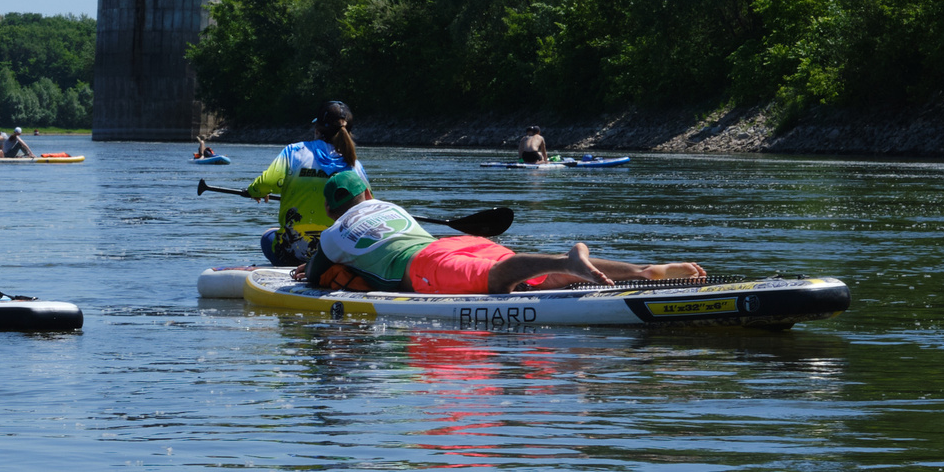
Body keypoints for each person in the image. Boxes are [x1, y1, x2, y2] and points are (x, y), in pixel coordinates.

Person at [316, 172, 704, 294]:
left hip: (424, 263)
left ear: (332, 209)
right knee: (531, 275)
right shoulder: (390, 207)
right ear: (367, 193)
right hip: (457, 243)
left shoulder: (331, 234)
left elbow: (317, 275)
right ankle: (643, 271)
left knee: (496, 282)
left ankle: (567, 260)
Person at [244, 101, 363, 265]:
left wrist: (255, 191)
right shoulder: (355, 165)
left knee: (268, 236)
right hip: (335, 257)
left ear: (318, 129)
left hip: (292, 253)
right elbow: (368, 207)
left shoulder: (293, 152)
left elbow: (265, 184)